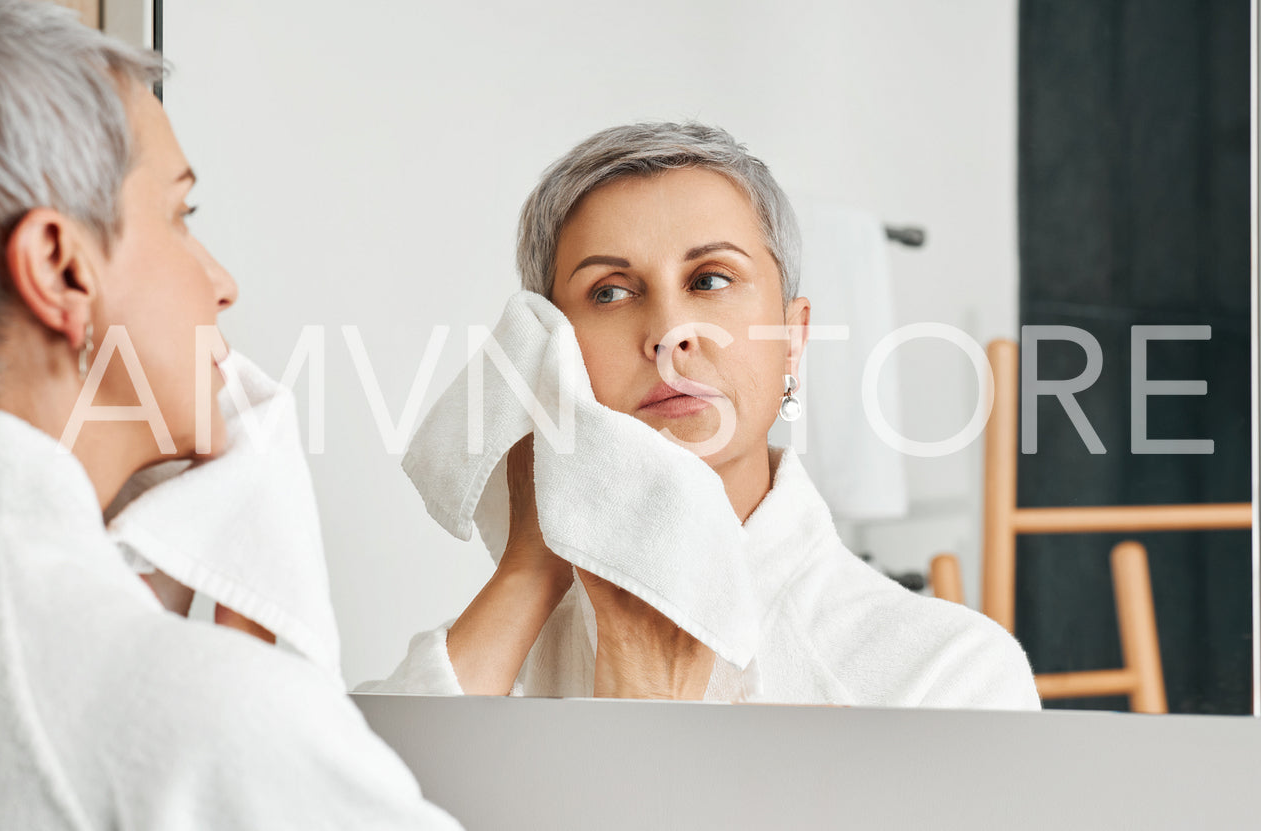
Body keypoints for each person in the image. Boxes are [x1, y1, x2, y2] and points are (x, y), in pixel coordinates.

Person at [0, 0, 458, 828]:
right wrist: (211, 690)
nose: (222, 281)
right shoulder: (191, 720)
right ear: (60, 269)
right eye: (180, 215)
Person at [366, 122, 1042, 708]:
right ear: (549, 355)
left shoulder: (944, 675)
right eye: (609, 291)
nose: (668, 332)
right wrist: (526, 569)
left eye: (710, 279)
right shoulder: (491, 668)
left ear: (792, 340)